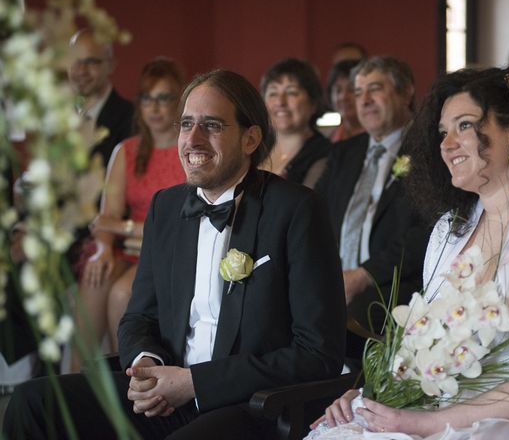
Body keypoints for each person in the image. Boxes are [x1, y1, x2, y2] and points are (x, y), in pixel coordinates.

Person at [4, 69, 346, 439]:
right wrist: (145, 365)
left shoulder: (296, 210)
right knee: (32, 401)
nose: (193, 140)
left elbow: (317, 353)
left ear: (250, 138)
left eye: (212, 125)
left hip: (246, 403)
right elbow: (138, 317)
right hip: (166, 386)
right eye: (186, 124)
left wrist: (195, 382)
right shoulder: (165, 207)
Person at [308, 67, 509, 439]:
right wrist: (376, 394)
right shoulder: (450, 229)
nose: (447, 144)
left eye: (464, 125)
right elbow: (427, 343)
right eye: (442, 132)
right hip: (451, 404)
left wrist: (430, 422)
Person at [70, 58, 186, 372]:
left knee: (123, 294)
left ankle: (129, 387)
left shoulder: (188, 149)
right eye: (148, 98)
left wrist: (123, 227)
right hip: (123, 249)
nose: (155, 107)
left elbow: (180, 226)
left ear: (180, 102)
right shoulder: (127, 150)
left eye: (164, 98)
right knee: (96, 278)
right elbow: (105, 218)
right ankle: (76, 389)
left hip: (165, 252)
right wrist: (105, 246)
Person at [316, 56, 430, 357]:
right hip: (333, 285)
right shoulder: (343, 154)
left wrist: (363, 275)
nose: (364, 100)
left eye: (375, 89)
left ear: (406, 92)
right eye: (357, 92)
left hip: (392, 291)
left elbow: (428, 232)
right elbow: (312, 217)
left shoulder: (430, 152)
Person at [67, 28, 134, 169]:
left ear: (111, 65)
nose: (81, 70)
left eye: (91, 61)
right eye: (75, 61)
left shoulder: (132, 118)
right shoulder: (57, 116)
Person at [259, 57, 331, 187]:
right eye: (273, 93)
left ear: (313, 103)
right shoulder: (255, 148)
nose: (280, 102)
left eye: (291, 92)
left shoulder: (325, 154)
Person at [326, 59, 365, 143]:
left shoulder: (378, 136)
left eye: (351, 89)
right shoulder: (329, 139)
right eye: (338, 90)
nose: (343, 97)